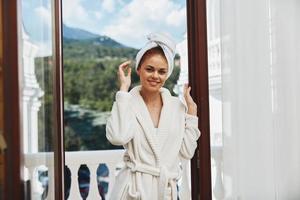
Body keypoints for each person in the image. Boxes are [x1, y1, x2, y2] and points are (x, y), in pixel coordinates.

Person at [106, 32, 200, 200]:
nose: (155, 76)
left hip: (164, 191)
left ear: (167, 74)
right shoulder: (127, 102)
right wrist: (123, 91)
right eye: (150, 69)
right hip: (133, 191)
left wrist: (191, 114)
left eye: (162, 71)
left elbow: (186, 152)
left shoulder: (176, 107)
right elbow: (118, 137)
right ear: (139, 69)